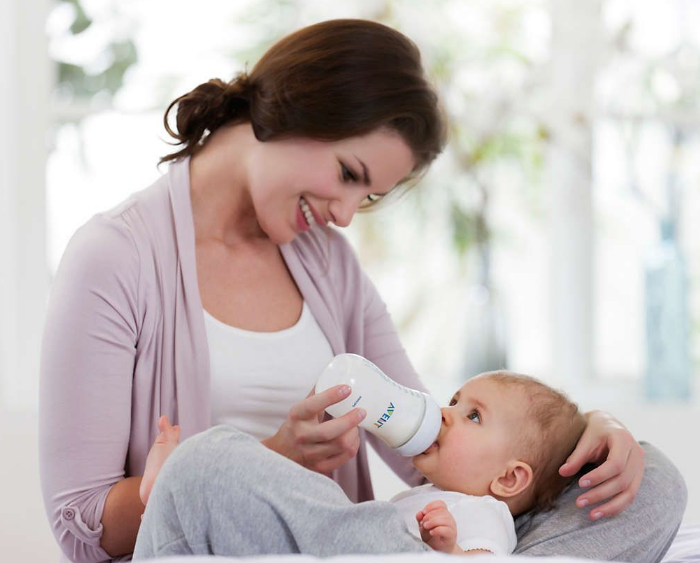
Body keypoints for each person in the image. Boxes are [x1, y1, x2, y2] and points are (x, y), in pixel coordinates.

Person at [39, 18, 686, 563]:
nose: (346, 214)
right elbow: (78, 528)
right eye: (348, 174)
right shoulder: (114, 259)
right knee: (204, 465)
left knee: (650, 478)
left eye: (366, 195)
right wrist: (271, 458)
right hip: (217, 539)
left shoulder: (327, 266)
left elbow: (432, 442)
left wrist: (586, 433)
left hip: (359, 543)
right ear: (292, 107)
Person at [135, 370, 588, 557]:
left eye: (473, 416)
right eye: (453, 399)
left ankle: (184, 487)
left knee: (232, 458)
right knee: (232, 462)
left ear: (509, 479)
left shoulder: (484, 513)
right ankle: (182, 493)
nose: (444, 411)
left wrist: (451, 552)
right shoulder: (422, 497)